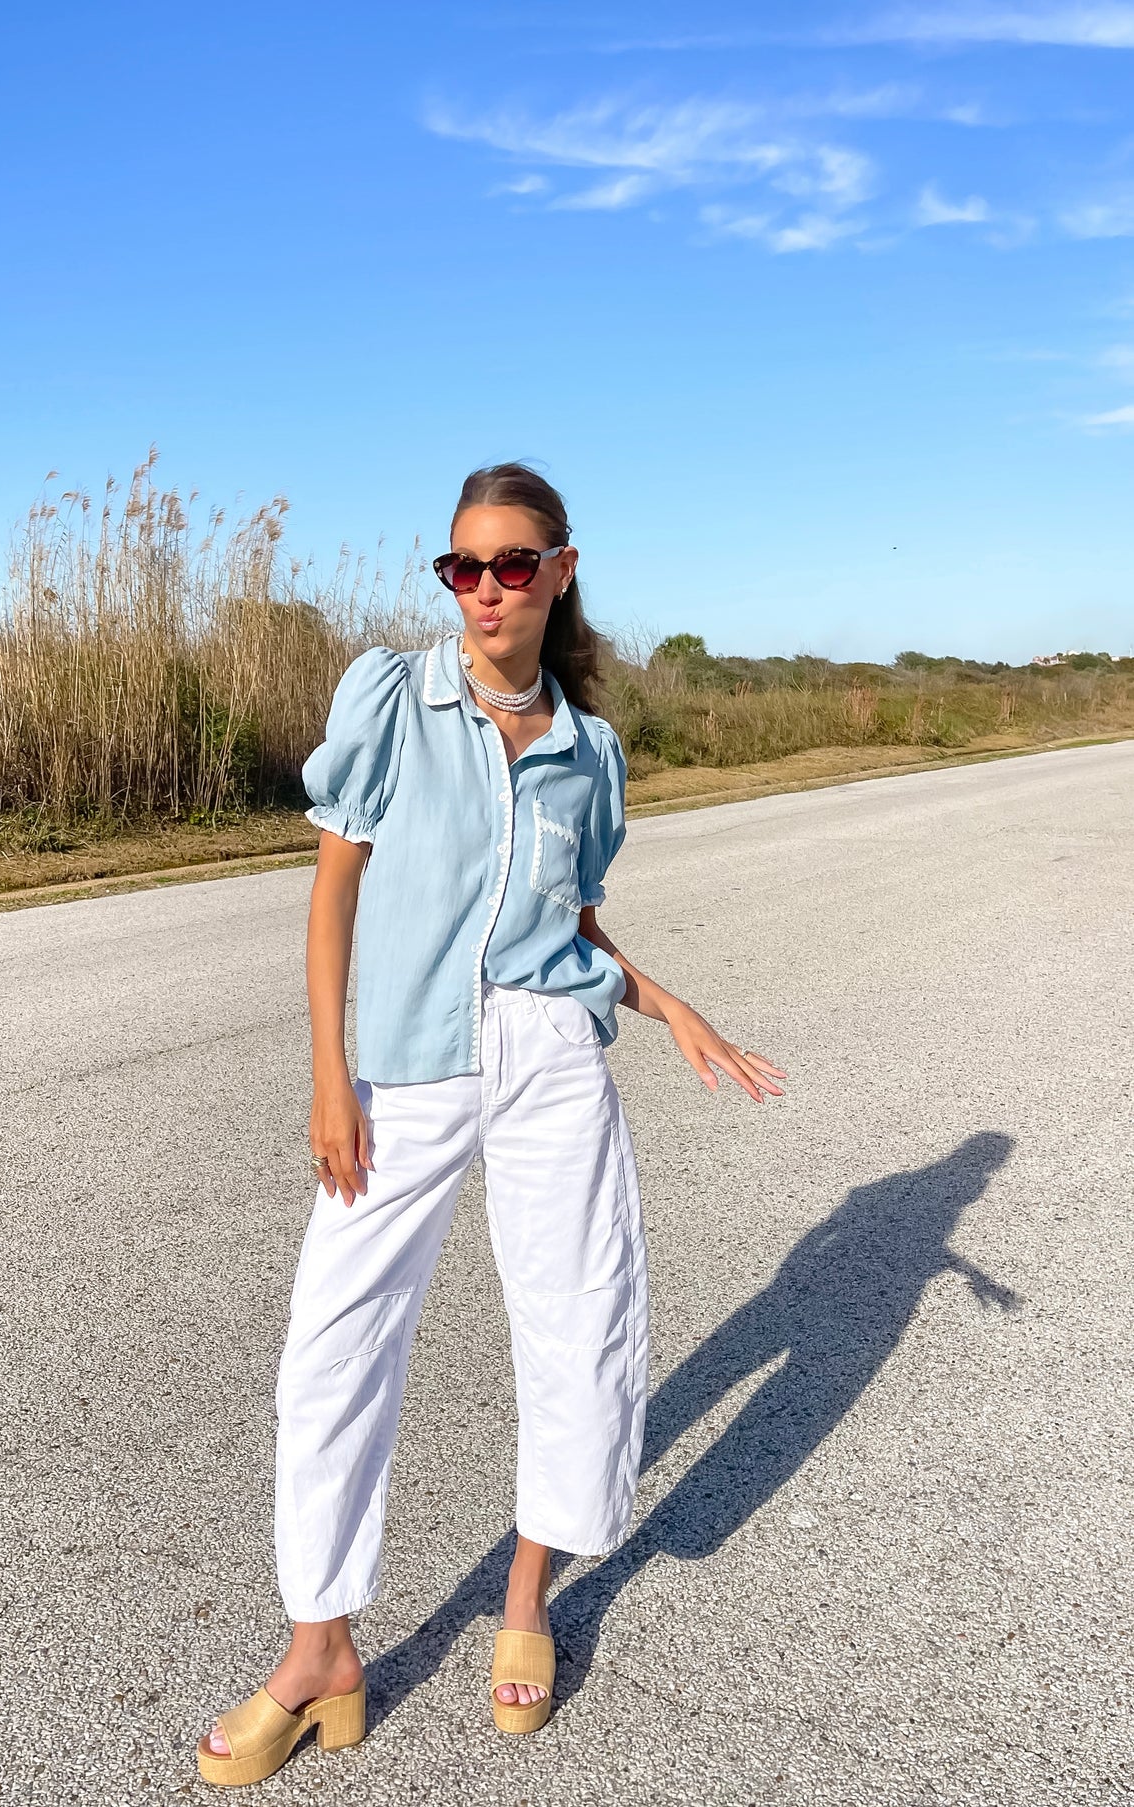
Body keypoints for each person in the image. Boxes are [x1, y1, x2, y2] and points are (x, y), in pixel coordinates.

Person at [197, 463, 785, 1787]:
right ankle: (319, 1653)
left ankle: (527, 1595)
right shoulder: (392, 698)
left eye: (511, 565)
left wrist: (660, 1000)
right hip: (405, 1065)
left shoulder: (592, 748)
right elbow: (333, 890)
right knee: (333, 1349)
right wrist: (325, 1076)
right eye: (460, 567)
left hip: (551, 1059)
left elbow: (566, 923)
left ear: (560, 572)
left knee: (579, 1321)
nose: (483, 592)